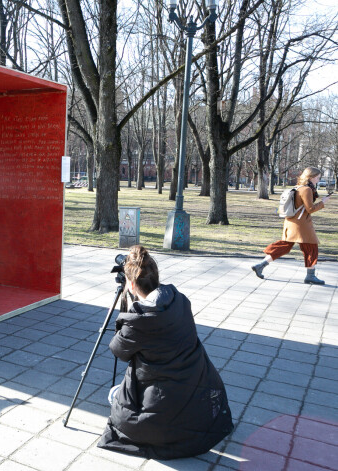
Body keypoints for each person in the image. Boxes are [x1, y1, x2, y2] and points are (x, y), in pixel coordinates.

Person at [98, 245, 233, 460]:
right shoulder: (179, 300)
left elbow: (118, 350)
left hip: (161, 411)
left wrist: (127, 314)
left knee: (114, 394)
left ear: (130, 284)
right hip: (198, 397)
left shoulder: (138, 321)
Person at [251, 167, 332, 285]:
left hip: (291, 222)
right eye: (318, 177)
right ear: (311, 177)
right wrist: (323, 202)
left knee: (285, 246)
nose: (319, 179)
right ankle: (310, 276)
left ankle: (260, 265)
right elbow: (310, 209)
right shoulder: (307, 190)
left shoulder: (298, 187)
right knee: (311, 248)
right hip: (301, 224)